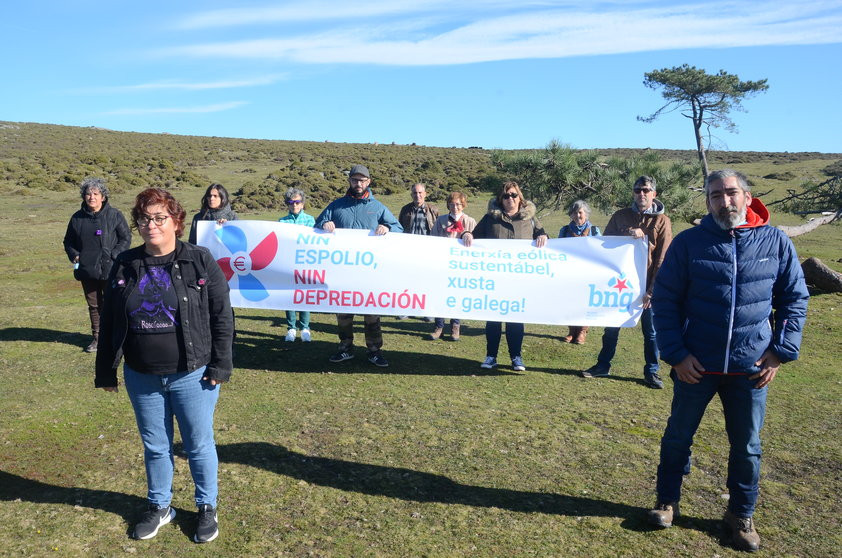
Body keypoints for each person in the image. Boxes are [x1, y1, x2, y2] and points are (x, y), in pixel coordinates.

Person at [647, 169, 808, 552]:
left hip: (751, 368)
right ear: (708, 202)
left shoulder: (775, 241)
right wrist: (676, 354)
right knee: (677, 437)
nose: (725, 201)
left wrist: (780, 352)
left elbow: (794, 298)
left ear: (748, 197)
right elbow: (665, 302)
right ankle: (667, 502)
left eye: (731, 193)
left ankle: (741, 515)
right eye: (716, 195)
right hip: (695, 366)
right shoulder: (689, 243)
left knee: (747, 446)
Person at [95, 188, 233, 544]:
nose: (151, 225)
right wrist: (105, 370)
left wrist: (220, 365)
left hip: (193, 374)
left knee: (198, 444)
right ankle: (160, 506)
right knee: (155, 446)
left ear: (176, 221)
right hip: (142, 375)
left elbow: (222, 316)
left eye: (159, 217)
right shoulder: (125, 263)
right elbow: (110, 320)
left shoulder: (199, 260)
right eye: (144, 219)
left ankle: (206, 507)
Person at [581, 176, 672, 388]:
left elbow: (663, 258)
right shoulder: (620, 216)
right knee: (612, 327)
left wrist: (652, 290)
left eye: (646, 190)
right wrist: (626, 234)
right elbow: (605, 245)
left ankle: (652, 372)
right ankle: (603, 365)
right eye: (638, 190)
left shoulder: (662, 221)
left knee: (651, 332)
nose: (641, 194)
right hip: (620, 285)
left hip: (647, 286)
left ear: (654, 194)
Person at [314, 164, 403, 367]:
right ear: (350, 181)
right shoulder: (336, 205)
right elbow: (317, 224)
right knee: (343, 313)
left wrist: (387, 227)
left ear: (368, 182)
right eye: (355, 180)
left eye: (362, 180)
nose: (358, 184)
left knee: (371, 314)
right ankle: (345, 348)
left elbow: (398, 228)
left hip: (369, 273)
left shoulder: (378, 207)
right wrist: (323, 225)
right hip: (343, 272)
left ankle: (374, 351)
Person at [462, 181, 548, 371]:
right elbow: (473, 235)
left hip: (519, 280)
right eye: (506, 195)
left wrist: (543, 236)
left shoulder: (530, 219)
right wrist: (467, 233)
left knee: (515, 319)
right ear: (500, 199)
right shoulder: (490, 218)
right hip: (495, 279)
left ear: (520, 197)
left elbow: (542, 234)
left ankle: (516, 357)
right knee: (493, 318)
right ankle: (491, 356)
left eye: (514, 195)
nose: (510, 198)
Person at [63, 177, 132, 352]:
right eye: (88, 194)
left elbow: (125, 238)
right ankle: (98, 338)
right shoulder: (77, 218)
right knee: (94, 305)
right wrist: (75, 255)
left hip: (111, 268)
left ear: (103, 196)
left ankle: (117, 337)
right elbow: (68, 241)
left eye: (95, 193)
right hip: (87, 269)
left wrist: (115, 255)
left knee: (114, 303)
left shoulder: (114, 215)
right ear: (83, 196)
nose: (91, 197)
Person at [429, 191, 477, 341]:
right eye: (452, 204)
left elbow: (477, 243)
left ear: (463, 205)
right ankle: (439, 327)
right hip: (443, 264)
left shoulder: (470, 221)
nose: (455, 207)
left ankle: (455, 326)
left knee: (456, 295)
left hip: (461, 266)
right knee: (440, 294)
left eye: (458, 204)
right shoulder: (441, 220)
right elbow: (432, 239)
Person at [558, 200, 601, 345]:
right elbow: (558, 250)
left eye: (580, 212)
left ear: (586, 214)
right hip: (570, 272)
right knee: (571, 301)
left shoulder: (594, 231)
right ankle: (572, 331)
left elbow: (600, 251)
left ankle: (582, 331)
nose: (578, 215)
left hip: (589, 273)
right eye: (575, 213)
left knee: (586, 301)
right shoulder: (564, 230)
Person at [278, 187, 316, 342]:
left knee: (304, 295)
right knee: (290, 295)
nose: (294, 205)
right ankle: (291, 328)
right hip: (289, 264)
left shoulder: (310, 220)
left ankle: (305, 327)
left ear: (302, 203)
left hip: (306, 263)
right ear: (287, 204)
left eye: (297, 202)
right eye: (291, 202)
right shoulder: (282, 222)